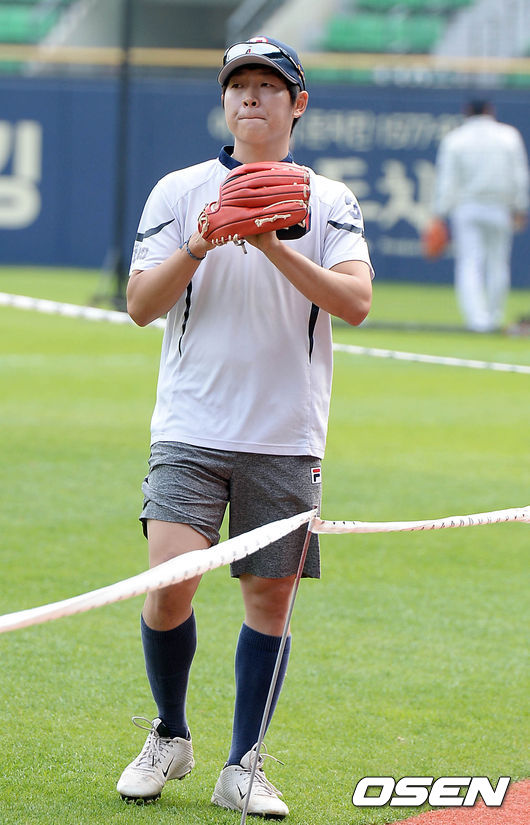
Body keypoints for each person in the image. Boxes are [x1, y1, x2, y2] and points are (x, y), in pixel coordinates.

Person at [116, 35, 373, 818]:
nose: (251, 96)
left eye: (269, 85)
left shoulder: (328, 199)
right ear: (224, 101)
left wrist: (267, 243)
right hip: (190, 426)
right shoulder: (179, 190)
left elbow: (355, 302)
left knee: (269, 601)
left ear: (299, 103)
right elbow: (140, 305)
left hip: (286, 434)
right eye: (239, 85)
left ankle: (243, 763)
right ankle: (169, 732)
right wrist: (202, 240)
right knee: (169, 584)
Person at [431, 99, 529, 332]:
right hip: (499, 207)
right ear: (489, 111)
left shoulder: (455, 139)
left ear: (466, 112)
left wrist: (439, 214)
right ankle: (493, 317)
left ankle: (477, 321)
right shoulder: (508, 136)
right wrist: (520, 207)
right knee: (498, 264)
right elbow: (519, 175)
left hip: (468, 208)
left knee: (469, 263)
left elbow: (447, 180)